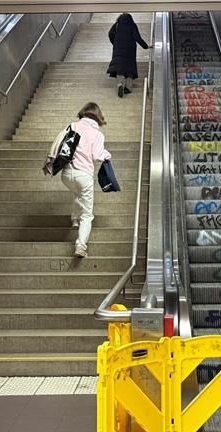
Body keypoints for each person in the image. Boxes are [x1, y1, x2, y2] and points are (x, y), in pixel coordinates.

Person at [55, 103, 111, 258]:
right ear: (98, 116)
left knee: (76, 192)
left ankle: (74, 219)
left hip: (66, 174)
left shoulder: (72, 126)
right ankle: (81, 246)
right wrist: (107, 155)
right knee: (87, 214)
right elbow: (97, 155)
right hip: (84, 175)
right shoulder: (97, 134)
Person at [107, 13, 149, 98]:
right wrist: (146, 46)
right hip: (130, 49)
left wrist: (115, 42)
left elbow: (110, 33)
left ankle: (120, 84)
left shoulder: (117, 25)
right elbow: (137, 37)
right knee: (130, 68)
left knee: (119, 67)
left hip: (118, 48)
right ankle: (128, 88)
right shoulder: (132, 25)